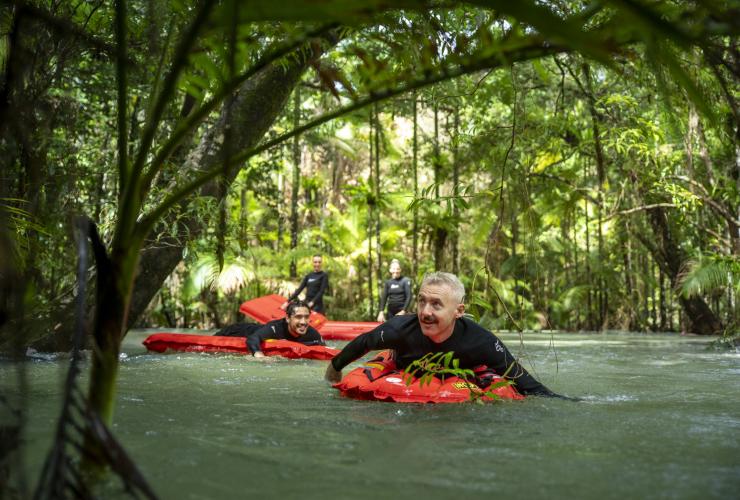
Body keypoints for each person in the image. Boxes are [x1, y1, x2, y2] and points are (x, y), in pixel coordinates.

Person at [325, 272, 567, 398]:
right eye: (421, 302)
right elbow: (362, 343)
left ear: (458, 311)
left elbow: (525, 383)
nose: (425, 312)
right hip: (404, 370)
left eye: (436, 305)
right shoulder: (398, 329)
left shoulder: (481, 341)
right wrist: (335, 368)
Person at [216, 300, 325, 357]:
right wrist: (259, 355)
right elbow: (252, 339)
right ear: (287, 318)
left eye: (306, 317)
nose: (303, 322)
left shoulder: (312, 334)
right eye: (298, 317)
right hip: (237, 331)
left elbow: (325, 350)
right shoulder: (275, 328)